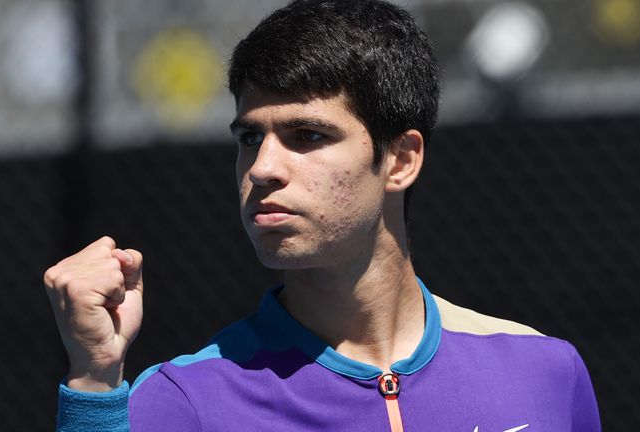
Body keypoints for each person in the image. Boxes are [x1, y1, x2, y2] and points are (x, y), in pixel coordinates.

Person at [44, 1, 601, 430]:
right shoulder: (182, 400)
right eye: (249, 137)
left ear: (402, 159)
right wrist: (93, 384)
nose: (261, 168)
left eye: (306, 135)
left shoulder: (543, 372)